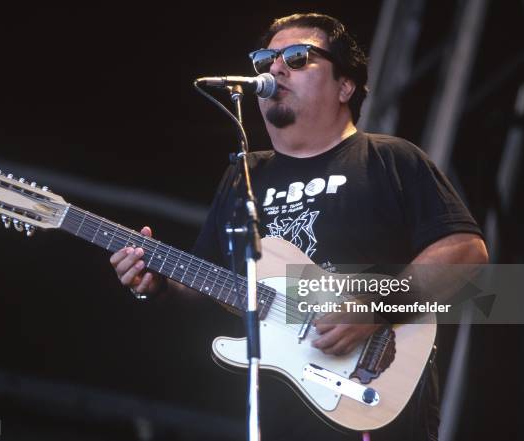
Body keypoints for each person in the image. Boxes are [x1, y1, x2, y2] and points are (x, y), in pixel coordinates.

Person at [110, 13, 488, 441]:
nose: (275, 68)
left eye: (297, 56)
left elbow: (465, 251)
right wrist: (157, 282)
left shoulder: (390, 158)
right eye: (266, 59)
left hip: (372, 397)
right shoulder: (243, 175)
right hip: (277, 414)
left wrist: (375, 307)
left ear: (345, 85)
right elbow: (208, 281)